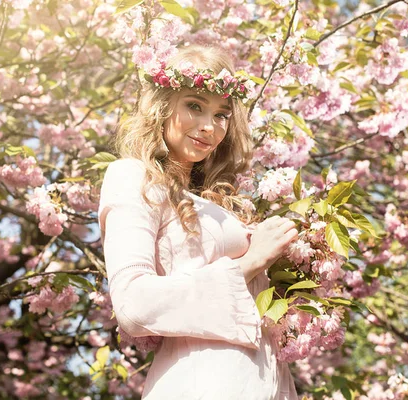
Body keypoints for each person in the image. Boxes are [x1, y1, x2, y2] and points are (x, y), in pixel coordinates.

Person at [97, 45, 299, 400]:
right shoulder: (133, 177)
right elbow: (132, 303)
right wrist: (252, 262)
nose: (209, 127)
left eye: (222, 115)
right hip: (201, 383)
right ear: (162, 107)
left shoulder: (220, 204)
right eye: (194, 105)